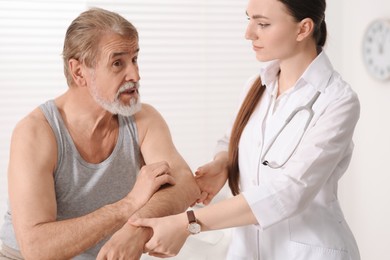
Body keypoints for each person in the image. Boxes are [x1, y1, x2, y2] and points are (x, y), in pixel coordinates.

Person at [130, 0, 361, 259]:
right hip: (248, 250)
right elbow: (231, 140)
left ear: (303, 29)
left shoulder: (337, 100)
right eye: (249, 19)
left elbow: (291, 190)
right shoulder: (257, 85)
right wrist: (224, 163)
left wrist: (188, 222)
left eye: (262, 24)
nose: (248, 33)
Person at [0, 7, 200, 260]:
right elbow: (38, 249)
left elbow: (185, 184)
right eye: (118, 63)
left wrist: (134, 231)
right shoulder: (36, 132)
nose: (135, 75)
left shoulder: (143, 120)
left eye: (135, 59)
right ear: (79, 72)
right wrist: (127, 206)